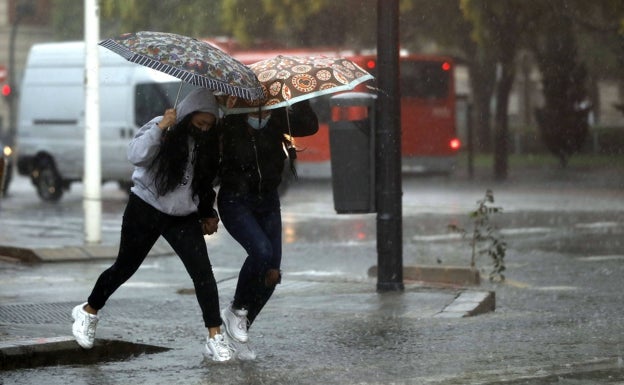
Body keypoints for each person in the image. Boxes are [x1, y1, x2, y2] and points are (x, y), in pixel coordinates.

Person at [71, 88, 232, 362]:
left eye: (209, 125)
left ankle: (215, 336)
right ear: (187, 116)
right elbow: (136, 155)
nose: (204, 129)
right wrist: (160, 128)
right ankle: (88, 310)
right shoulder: (165, 126)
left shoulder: (208, 144)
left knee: (203, 274)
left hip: (182, 216)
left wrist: (208, 212)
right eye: (199, 123)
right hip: (145, 207)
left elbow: (203, 184)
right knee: (125, 267)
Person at [216, 101, 318, 358]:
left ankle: (238, 332)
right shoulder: (228, 125)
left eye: (264, 108)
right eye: (252, 109)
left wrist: (298, 98)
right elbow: (208, 167)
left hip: (268, 200)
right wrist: (205, 208)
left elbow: (310, 125)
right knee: (261, 252)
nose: (259, 115)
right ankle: (236, 310)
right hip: (235, 199)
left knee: (271, 274)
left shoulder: (277, 121)